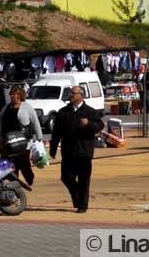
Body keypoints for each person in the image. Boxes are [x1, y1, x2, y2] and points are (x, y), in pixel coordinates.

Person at [50, 85, 104, 213]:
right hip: (68, 151)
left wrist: (89, 124)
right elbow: (56, 132)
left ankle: (82, 205)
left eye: (73, 93)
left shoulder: (90, 112)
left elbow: (100, 125)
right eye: (70, 93)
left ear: (81, 95)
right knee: (66, 177)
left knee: (84, 180)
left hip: (84, 152)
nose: (71, 95)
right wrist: (53, 148)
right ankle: (76, 195)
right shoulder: (63, 112)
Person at [0, 85, 42, 187]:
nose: (12, 96)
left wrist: (39, 138)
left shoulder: (27, 107)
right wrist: (0, 135)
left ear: (20, 95)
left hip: (23, 141)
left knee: (24, 163)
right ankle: (14, 183)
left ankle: (30, 179)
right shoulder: (7, 107)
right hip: (9, 140)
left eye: (15, 94)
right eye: (11, 94)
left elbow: (35, 122)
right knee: (11, 163)